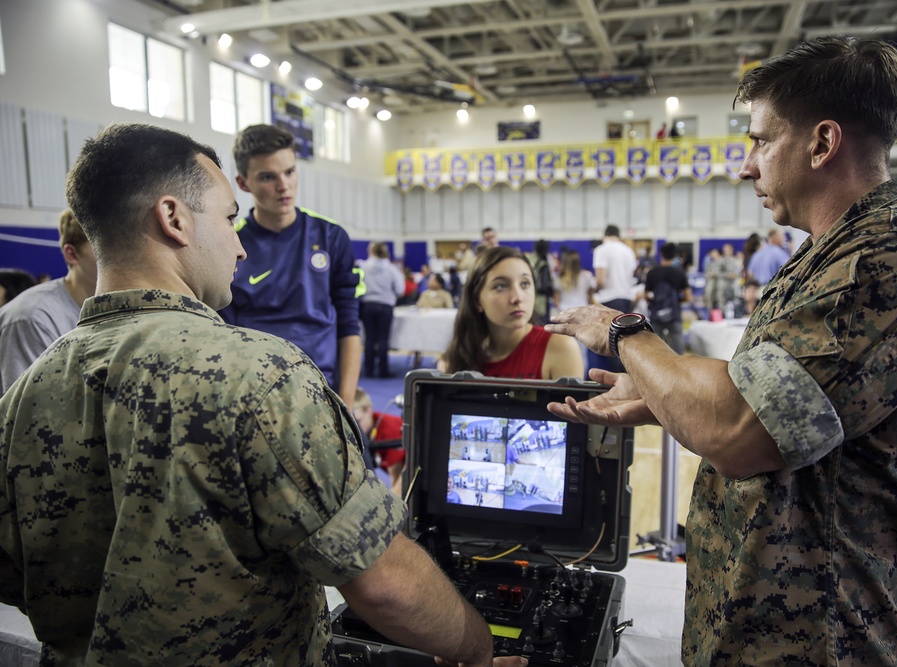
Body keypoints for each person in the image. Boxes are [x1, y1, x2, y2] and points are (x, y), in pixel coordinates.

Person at [0, 122, 524, 667]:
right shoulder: (264, 378)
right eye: (229, 219)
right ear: (174, 218)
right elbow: (384, 581)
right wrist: (478, 650)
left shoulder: (25, 395)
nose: (240, 246)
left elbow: (16, 578)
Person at [545, 36, 897, 665]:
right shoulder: (831, 251)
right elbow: (773, 389)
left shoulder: (895, 259)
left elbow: (738, 429)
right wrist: (657, 397)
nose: (746, 163)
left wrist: (623, 332)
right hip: (770, 625)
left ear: (822, 143)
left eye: (760, 140)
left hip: (827, 637)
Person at [219, 124, 363, 410]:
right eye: (267, 177)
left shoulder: (331, 238)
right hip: (255, 397)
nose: (283, 185)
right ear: (244, 183)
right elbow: (224, 337)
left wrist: (345, 405)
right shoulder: (231, 247)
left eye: (289, 172)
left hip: (323, 392)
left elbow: (349, 325)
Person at [439, 246, 582, 380]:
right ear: (477, 301)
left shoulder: (560, 347)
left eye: (525, 284)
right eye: (501, 286)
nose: (517, 297)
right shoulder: (458, 357)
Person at [0, 210, 97, 393]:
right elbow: (29, 413)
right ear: (72, 255)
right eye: (103, 247)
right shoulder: (32, 318)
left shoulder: (113, 309)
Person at [591, 224, 638, 373]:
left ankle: (609, 383)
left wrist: (593, 290)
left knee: (609, 343)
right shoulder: (629, 251)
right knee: (624, 341)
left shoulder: (601, 250)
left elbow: (600, 280)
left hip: (609, 299)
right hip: (626, 299)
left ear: (604, 235)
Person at [359, 241, 404, 379]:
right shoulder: (391, 269)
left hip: (367, 305)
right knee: (383, 339)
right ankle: (383, 370)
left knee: (369, 338)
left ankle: (368, 369)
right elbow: (400, 289)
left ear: (371, 251)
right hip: (385, 305)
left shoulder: (363, 267)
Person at [353, 387, 405, 495]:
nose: (355, 427)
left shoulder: (388, 430)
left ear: (368, 410)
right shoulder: (369, 429)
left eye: (358, 421)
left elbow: (398, 481)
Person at [643, 242, 691, 354]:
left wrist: (653, 302)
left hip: (656, 315)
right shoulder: (680, 272)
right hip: (674, 315)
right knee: (678, 351)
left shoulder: (652, 273)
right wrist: (677, 301)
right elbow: (688, 297)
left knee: (654, 351)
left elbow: (645, 295)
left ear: (661, 255)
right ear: (675, 256)